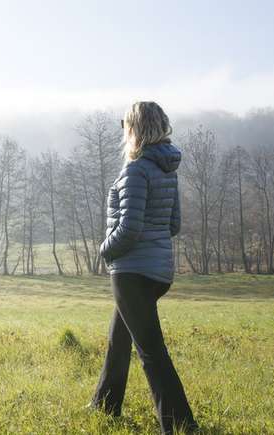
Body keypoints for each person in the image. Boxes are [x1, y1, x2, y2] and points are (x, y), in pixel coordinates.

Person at [89, 101, 198, 434]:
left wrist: (104, 251)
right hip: (157, 271)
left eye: (126, 125)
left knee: (151, 351)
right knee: (118, 339)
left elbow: (129, 228)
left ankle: (181, 424)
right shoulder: (166, 169)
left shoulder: (136, 170)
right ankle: (104, 406)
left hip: (131, 272)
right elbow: (174, 224)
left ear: (135, 129)